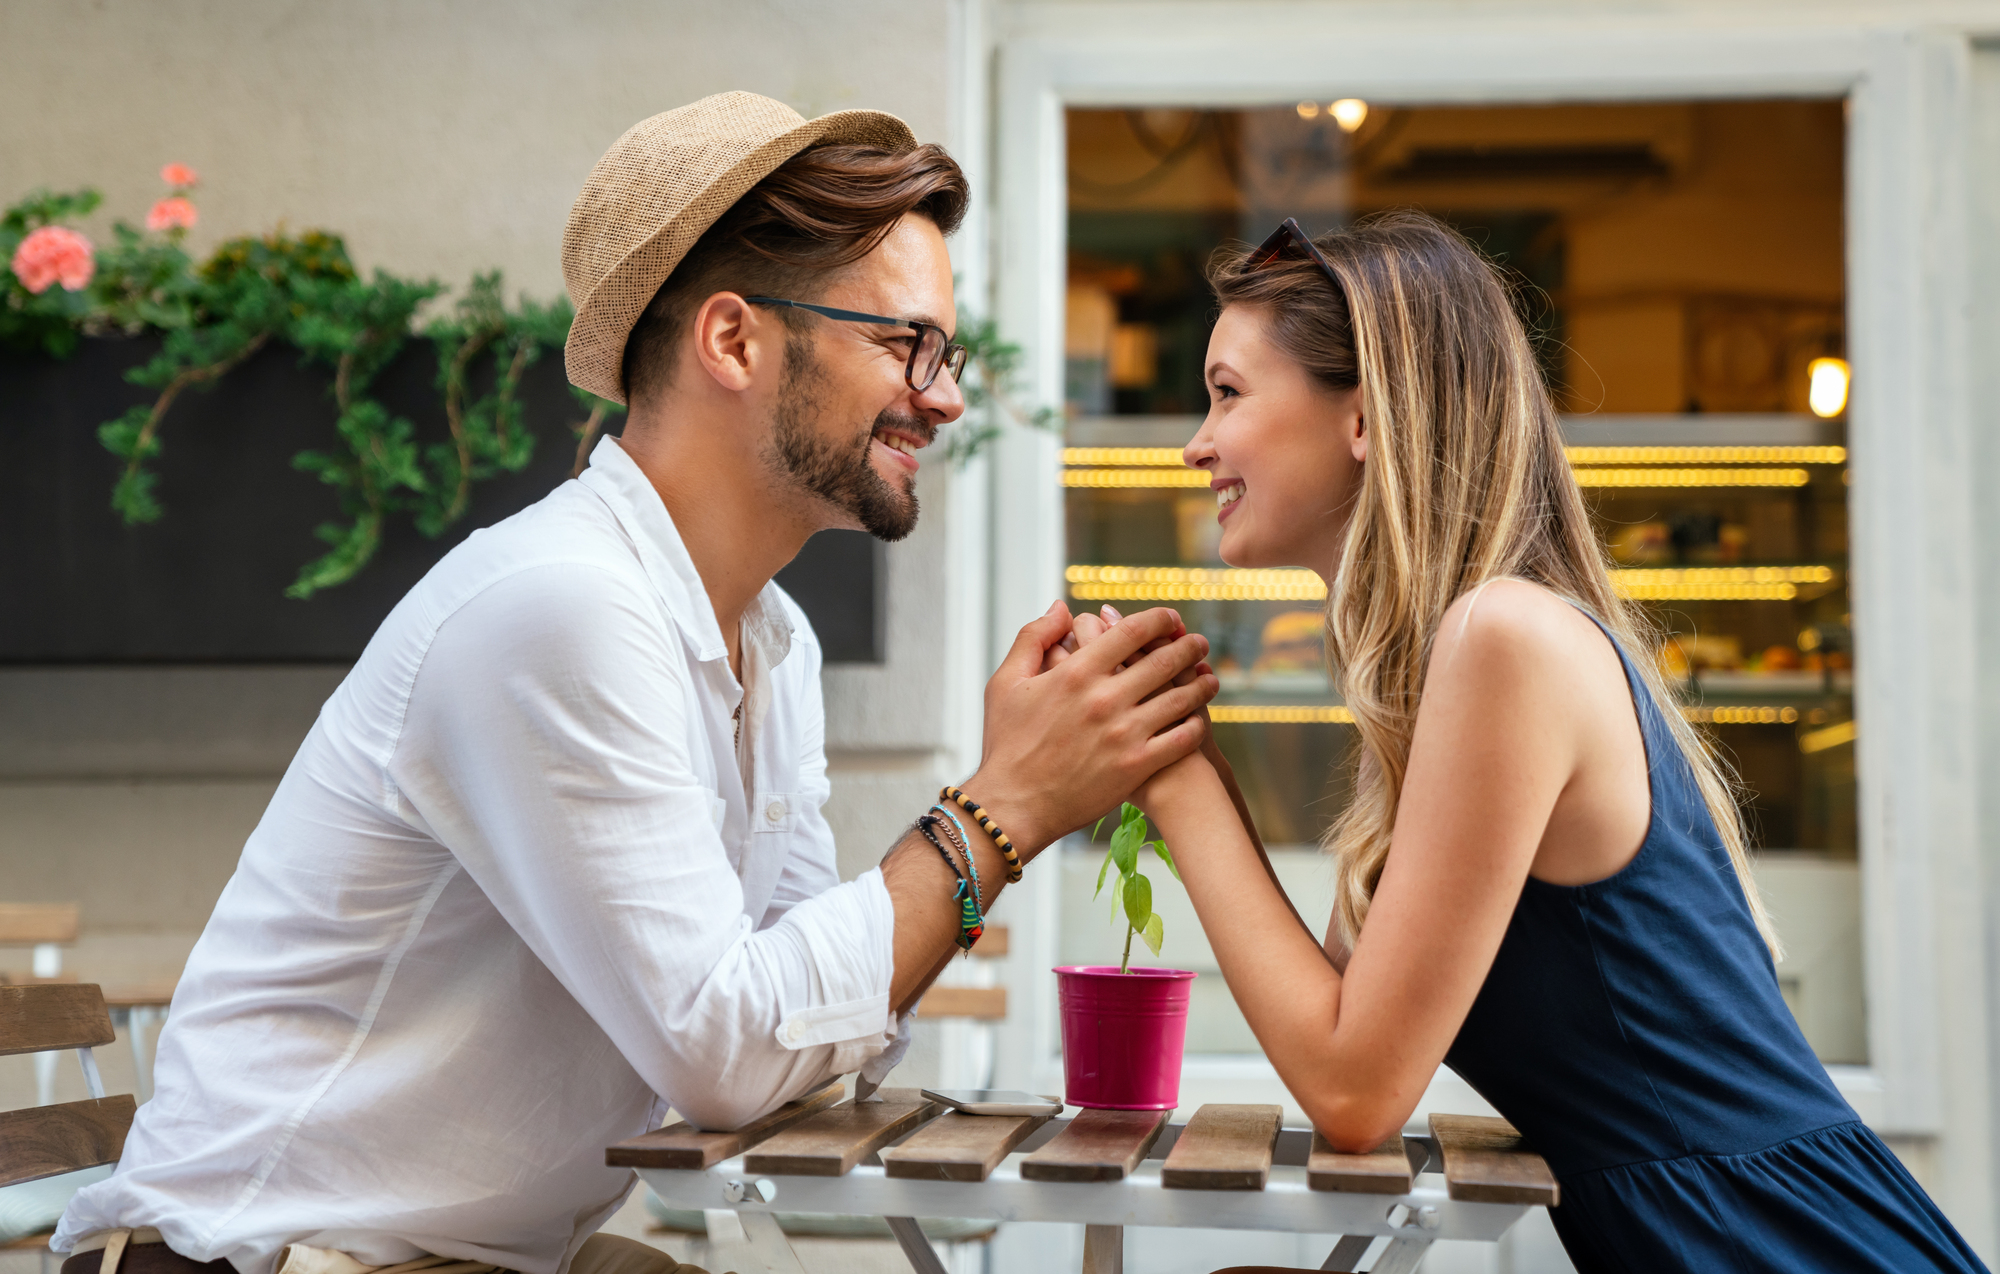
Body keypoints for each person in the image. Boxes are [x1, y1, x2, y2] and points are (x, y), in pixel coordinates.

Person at [53, 92, 1218, 1274]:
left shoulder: (772, 642)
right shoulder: (560, 606)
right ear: (732, 340)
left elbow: (806, 1042)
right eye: (904, 343)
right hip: (258, 1257)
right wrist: (1002, 805)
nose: (947, 394)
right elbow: (732, 1054)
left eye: (946, 351)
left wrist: (993, 812)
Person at [1065, 211, 1986, 1272]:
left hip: (1770, 1245)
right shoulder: (1442, 669)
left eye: (1226, 392)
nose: (1196, 440)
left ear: (1362, 416)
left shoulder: (1502, 640)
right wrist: (1187, 752)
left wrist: (1172, 775)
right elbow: (1332, 1021)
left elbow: (1353, 1088)